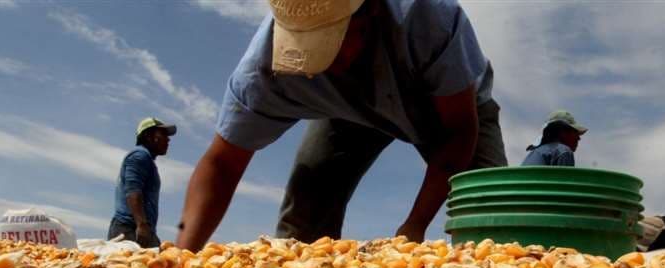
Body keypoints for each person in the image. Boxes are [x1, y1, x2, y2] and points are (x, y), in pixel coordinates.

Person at [176, 0, 507, 251]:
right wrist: (181, 258)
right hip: (349, 112)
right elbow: (222, 162)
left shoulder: (428, 19)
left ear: (370, 13)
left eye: (328, 39)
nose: (318, 61)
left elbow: (458, 132)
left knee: (497, 219)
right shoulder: (263, 69)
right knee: (307, 203)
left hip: (451, 109)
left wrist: (415, 225)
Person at [108, 117, 176, 248]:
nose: (168, 139)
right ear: (148, 136)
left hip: (138, 228)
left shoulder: (146, 159)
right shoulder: (140, 156)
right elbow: (133, 190)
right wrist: (142, 225)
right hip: (130, 229)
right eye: (163, 134)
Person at [522, 110, 587, 166]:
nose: (579, 138)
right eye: (575, 132)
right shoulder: (563, 151)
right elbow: (564, 180)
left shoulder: (537, 152)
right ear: (563, 133)